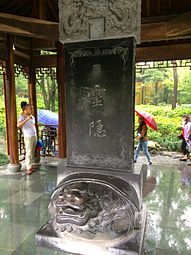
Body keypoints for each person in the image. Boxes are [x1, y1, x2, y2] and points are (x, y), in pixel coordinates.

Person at [17, 101, 37, 175]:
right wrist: (26, 119)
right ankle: (28, 167)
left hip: (34, 135)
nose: (31, 109)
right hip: (28, 136)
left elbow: (33, 125)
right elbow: (18, 125)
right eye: (29, 108)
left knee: (32, 151)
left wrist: (30, 117)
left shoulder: (32, 117)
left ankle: (30, 165)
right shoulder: (21, 117)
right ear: (24, 109)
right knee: (28, 152)